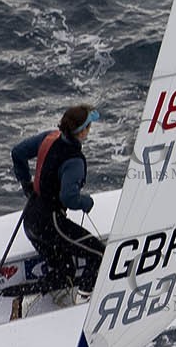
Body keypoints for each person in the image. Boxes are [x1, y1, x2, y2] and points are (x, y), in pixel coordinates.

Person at [11, 104, 106, 298]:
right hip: (51, 224)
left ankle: (22, 298)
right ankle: (84, 298)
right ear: (82, 132)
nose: (90, 130)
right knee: (99, 255)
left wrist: (26, 184)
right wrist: (86, 202)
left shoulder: (49, 137)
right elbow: (69, 198)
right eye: (89, 126)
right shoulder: (75, 161)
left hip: (30, 220)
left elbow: (18, 152)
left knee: (65, 271)